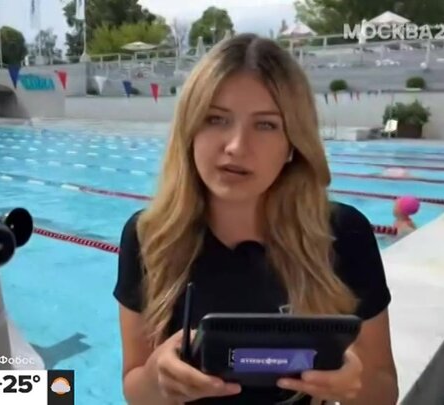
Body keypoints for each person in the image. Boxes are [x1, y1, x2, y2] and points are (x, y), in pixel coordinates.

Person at [114, 34, 398, 405]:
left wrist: (354, 385)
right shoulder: (150, 236)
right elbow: (135, 390)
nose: (236, 146)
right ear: (190, 130)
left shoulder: (342, 234)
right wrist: (156, 378)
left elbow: (384, 391)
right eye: (216, 119)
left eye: (266, 125)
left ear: (293, 143)